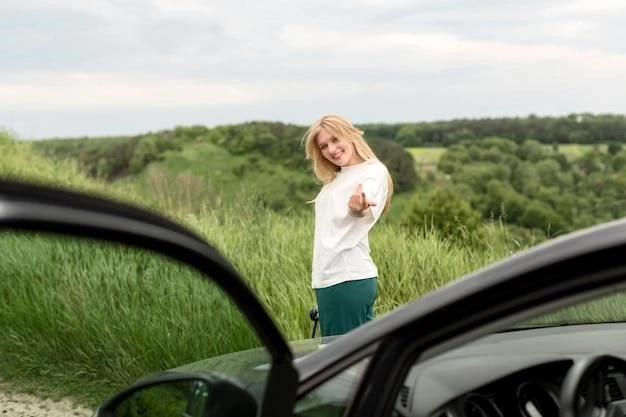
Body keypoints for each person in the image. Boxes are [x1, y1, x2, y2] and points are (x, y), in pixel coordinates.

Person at [302, 114, 393, 337]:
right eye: (324, 146)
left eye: (335, 140)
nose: (331, 150)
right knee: (349, 357)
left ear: (350, 135)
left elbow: (365, 199)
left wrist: (358, 206)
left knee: (345, 361)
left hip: (347, 278)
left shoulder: (372, 171)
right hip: (331, 279)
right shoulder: (339, 177)